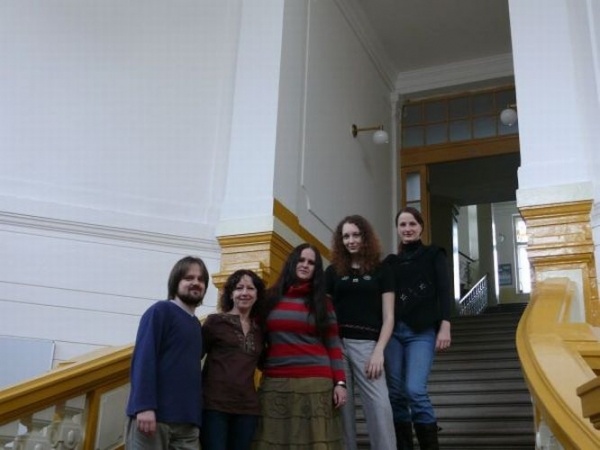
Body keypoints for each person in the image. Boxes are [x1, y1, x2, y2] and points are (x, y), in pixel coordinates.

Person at [253, 243, 347, 450]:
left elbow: (333, 345)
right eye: (301, 260)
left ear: (316, 270)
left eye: (311, 263)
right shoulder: (269, 299)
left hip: (316, 385)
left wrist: (340, 383)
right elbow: (257, 337)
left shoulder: (323, 302)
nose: (305, 265)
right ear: (292, 262)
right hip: (276, 383)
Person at [325, 215, 396, 450]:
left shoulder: (382, 269)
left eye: (356, 235)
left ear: (365, 237)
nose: (351, 240)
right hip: (337, 346)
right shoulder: (333, 271)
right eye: (346, 236)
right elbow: (325, 312)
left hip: (368, 346)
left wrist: (379, 351)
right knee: (341, 409)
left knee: (380, 407)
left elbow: (389, 317)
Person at [383, 207, 452, 450]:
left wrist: (445, 324)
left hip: (421, 331)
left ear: (421, 226)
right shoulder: (390, 262)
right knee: (395, 393)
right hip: (393, 334)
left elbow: (444, 289)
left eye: (412, 223)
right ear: (397, 229)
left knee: (414, 389)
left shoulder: (434, 254)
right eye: (402, 224)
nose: (407, 228)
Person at [125, 256, 208, 450]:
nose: (196, 282)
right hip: (154, 418)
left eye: (201, 279)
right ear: (176, 282)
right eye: (189, 278)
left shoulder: (196, 325)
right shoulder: (160, 311)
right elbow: (144, 358)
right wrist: (144, 406)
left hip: (188, 422)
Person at [201, 269, 266, 450]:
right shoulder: (215, 322)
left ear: (257, 294)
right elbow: (193, 356)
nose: (245, 293)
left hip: (247, 409)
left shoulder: (260, 330)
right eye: (239, 288)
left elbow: (265, 363)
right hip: (214, 406)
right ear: (231, 294)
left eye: (250, 288)